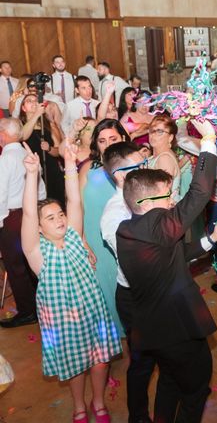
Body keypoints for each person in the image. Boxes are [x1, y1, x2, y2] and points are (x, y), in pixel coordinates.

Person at [116, 119, 217, 423]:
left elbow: (172, 255)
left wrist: (210, 239)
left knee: (170, 383)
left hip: (151, 330)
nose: (173, 199)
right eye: (167, 195)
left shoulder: (128, 231)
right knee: (195, 390)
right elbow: (199, 193)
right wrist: (209, 140)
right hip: (177, 331)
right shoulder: (158, 226)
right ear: (147, 202)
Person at [21, 141, 122, 423]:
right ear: (39, 228)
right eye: (50, 218)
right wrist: (32, 175)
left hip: (93, 311)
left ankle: (98, 403)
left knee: (101, 359)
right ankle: (79, 406)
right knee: (76, 366)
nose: (59, 220)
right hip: (62, 321)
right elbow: (29, 213)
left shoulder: (76, 237)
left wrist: (68, 164)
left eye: (60, 215)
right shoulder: (37, 252)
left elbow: (74, 201)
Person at [100, 141, 156, 423]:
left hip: (160, 291)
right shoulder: (114, 214)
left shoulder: (147, 195)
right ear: (122, 175)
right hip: (136, 298)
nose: (147, 169)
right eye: (140, 166)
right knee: (143, 362)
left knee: (170, 350)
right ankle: (138, 416)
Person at [79, 119, 131, 339]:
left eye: (113, 139)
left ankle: (131, 347)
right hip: (93, 242)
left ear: (123, 139)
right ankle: (109, 345)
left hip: (124, 243)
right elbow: (77, 206)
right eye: (102, 140)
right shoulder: (88, 168)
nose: (108, 144)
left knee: (126, 295)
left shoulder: (132, 168)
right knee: (102, 296)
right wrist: (82, 240)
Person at [0, 118, 45, 328]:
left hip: (11, 218)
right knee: (32, 264)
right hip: (31, 213)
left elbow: (0, 194)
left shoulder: (5, 159)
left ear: (3, 134)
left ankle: (27, 311)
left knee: (16, 267)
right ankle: (41, 307)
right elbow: (40, 187)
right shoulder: (27, 153)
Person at [19, 94, 65, 204]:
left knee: (56, 201)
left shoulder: (48, 125)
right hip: (32, 170)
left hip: (51, 169)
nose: (34, 103)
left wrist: (49, 148)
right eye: (29, 101)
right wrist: (36, 115)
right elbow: (23, 136)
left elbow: (58, 150)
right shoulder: (20, 124)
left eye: (36, 100)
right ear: (23, 108)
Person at [147, 114, 181, 200]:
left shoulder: (165, 158)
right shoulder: (155, 157)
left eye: (160, 132)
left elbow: (162, 196)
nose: (153, 135)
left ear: (170, 137)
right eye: (152, 130)